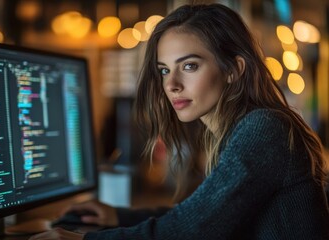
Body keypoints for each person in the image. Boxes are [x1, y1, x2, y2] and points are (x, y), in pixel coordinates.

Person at [29, 3, 329, 240]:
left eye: (189, 65)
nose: (171, 84)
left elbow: (193, 229)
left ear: (233, 69)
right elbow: (205, 214)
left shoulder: (264, 128)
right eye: (163, 70)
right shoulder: (238, 129)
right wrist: (120, 218)